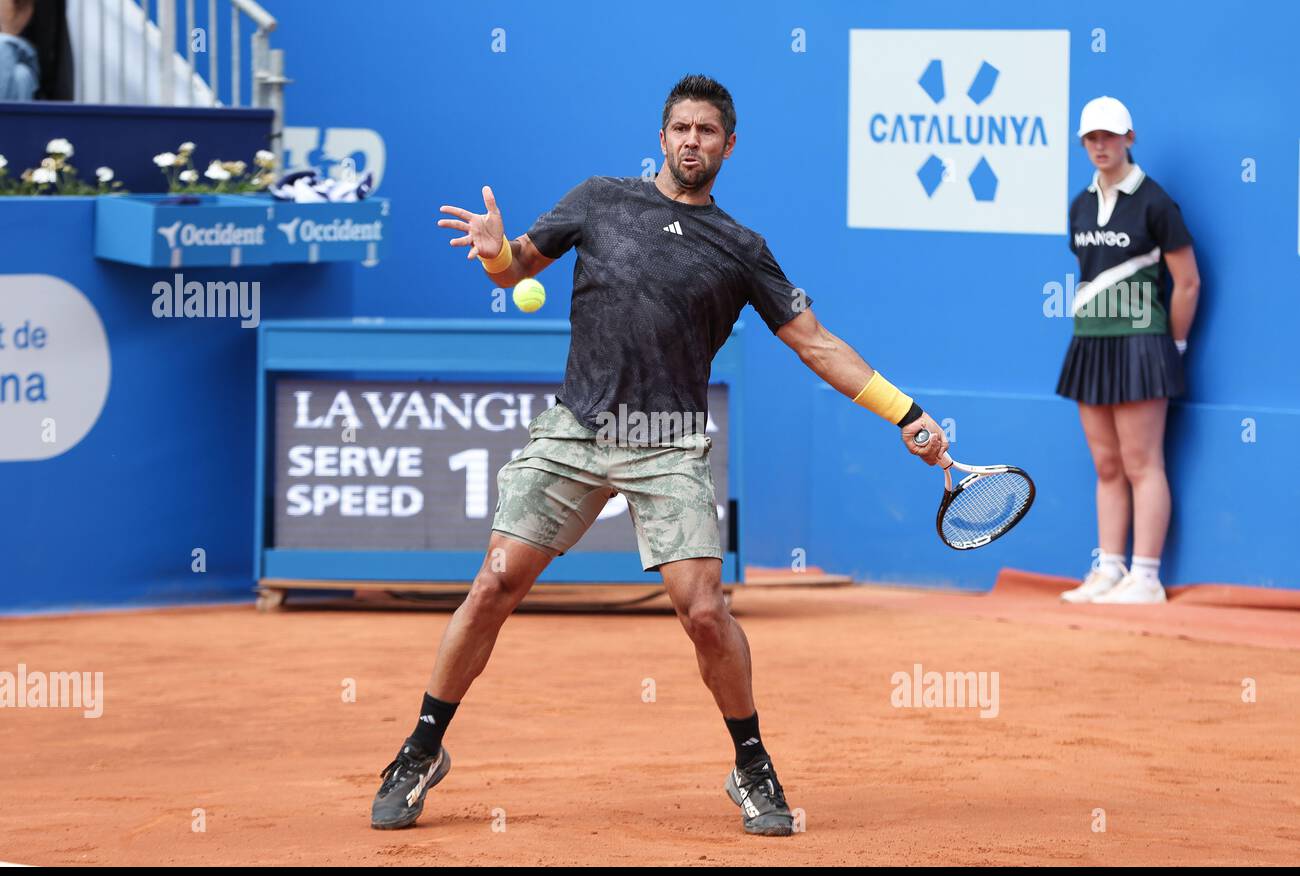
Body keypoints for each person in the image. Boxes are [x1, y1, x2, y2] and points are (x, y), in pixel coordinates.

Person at [370, 74, 949, 836]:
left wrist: (903, 412)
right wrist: (492, 255)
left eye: (707, 131)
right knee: (497, 580)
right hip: (576, 428)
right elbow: (515, 266)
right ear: (661, 135)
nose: (691, 141)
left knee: (703, 609)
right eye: (680, 128)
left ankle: (752, 766)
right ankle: (422, 748)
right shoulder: (598, 200)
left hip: (666, 441)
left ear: (728, 146)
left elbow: (814, 342)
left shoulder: (741, 248)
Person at [1057, 96, 1200, 604]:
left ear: (1129, 139)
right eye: (1091, 138)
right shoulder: (1079, 204)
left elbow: (1187, 283)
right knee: (1107, 465)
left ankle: (1147, 576)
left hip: (1143, 344)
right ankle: (1109, 568)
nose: (1100, 146)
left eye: (1109, 136)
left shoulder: (1156, 202)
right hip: (1090, 344)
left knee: (1144, 463)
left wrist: (1174, 344)